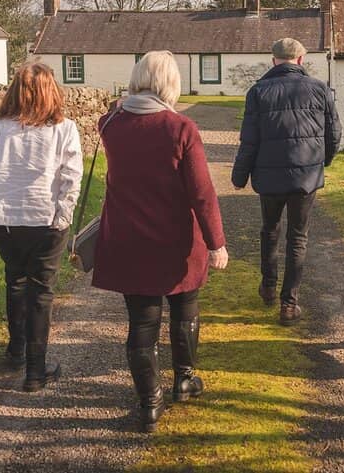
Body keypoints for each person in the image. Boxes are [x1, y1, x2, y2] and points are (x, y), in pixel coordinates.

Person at [92, 50, 229, 433]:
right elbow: (201, 192)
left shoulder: (110, 124)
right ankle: (183, 381)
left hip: (128, 239)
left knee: (141, 322)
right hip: (177, 239)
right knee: (185, 309)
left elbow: (118, 117)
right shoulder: (181, 128)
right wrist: (216, 242)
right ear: (171, 83)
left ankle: (149, 404)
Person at [0, 62, 83, 392]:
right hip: (46, 221)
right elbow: (70, 178)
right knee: (40, 293)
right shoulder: (64, 128)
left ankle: (16, 350)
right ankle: (35, 369)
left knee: (16, 282)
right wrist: (63, 216)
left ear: (15, 90)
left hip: (7, 221)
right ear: (52, 91)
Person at [231, 37, 342, 325]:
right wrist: (322, 161)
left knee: (269, 230)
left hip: (269, 177)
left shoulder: (258, 92)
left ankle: (268, 287)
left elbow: (249, 140)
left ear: (273, 61)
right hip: (306, 176)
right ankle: (289, 303)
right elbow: (334, 134)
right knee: (298, 237)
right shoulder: (320, 89)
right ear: (301, 60)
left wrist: (239, 175)